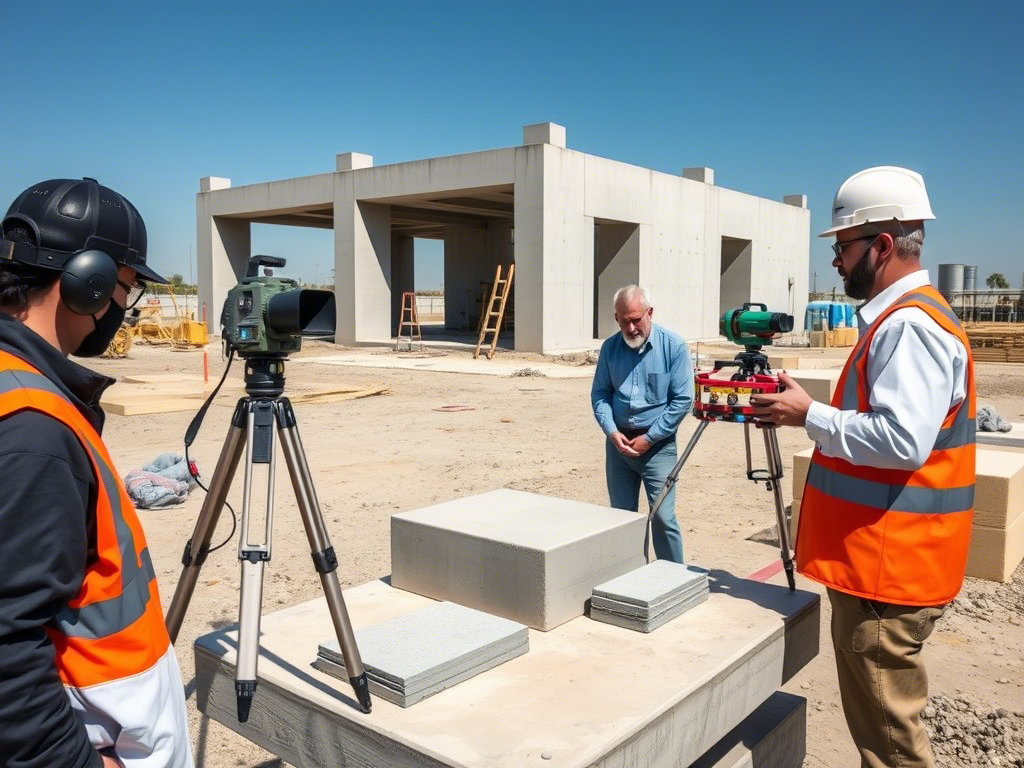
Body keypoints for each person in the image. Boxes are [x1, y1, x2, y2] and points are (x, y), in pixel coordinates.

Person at [751, 166, 974, 768]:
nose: (835, 262)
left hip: (887, 578)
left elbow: (902, 441)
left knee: (890, 749)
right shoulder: (909, 319)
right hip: (887, 568)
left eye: (843, 247)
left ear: (881, 246)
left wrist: (810, 415)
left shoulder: (910, 327)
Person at [0, 178, 193, 768]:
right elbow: (7, 645)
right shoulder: (34, 429)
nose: (122, 309)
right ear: (91, 283)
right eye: (126, 290)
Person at [591, 285, 694, 562]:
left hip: (658, 447)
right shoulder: (610, 348)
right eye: (624, 321)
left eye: (636, 320)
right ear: (616, 318)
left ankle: (672, 577)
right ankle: (630, 575)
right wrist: (611, 431)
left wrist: (650, 438)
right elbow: (600, 394)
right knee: (621, 518)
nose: (631, 328)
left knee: (662, 517)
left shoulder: (673, 346)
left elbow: (683, 400)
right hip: (619, 447)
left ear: (650, 313)